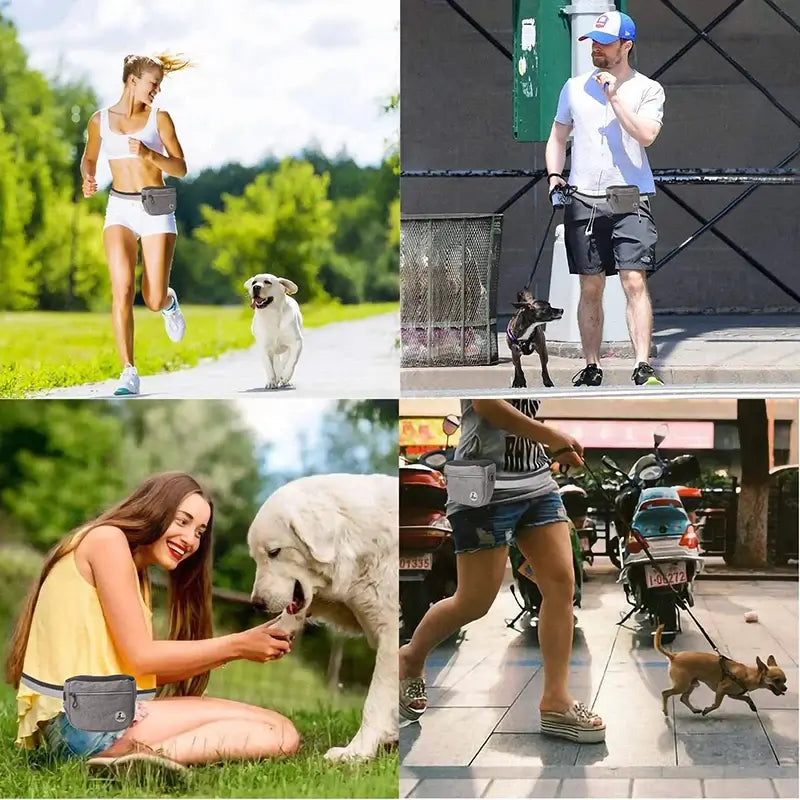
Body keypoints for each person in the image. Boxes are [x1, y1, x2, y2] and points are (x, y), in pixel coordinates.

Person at [5, 472, 300, 774]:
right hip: (86, 724)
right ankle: (142, 760)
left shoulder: (133, 569)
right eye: (182, 521)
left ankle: (139, 760)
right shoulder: (107, 540)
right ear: (154, 509)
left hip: (89, 720)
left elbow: (143, 669)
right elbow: (142, 657)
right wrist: (237, 645)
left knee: (278, 728)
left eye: (199, 532)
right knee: (278, 733)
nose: (190, 540)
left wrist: (239, 648)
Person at [398, 399, 605, 743]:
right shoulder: (481, 344)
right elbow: (487, 404)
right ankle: (410, 656)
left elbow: (521, 412)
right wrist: (550, 434)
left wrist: (549, 446)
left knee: (560, 587)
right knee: (474, 602)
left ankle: (555, 700)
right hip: (483, 486)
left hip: (537, 483)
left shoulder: (534, 348)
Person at [546, 11, 666, 388]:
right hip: (584, 197)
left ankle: (642, 364)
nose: (596, 48)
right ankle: (592, 364)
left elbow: (646, 135)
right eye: (593, 42)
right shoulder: (573, 87)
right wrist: (554, 176)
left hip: (630, 195)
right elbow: (557, 136)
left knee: (633, 279)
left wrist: (614, 97)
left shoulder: (648, 89)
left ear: (626, 45)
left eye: (605, 42)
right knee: (591, 285)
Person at [81, 53, 191, 397]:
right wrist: (87, 177)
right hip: (119, 208)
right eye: (152, 83)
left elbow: (180, 168)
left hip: (156, 207)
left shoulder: (160, 119)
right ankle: (128, 371)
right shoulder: (100, 120)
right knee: (122, 289)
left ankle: (168, 303)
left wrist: (148, 155)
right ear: (133, 80)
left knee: (153, 298)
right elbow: (89, 157)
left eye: (159, 84)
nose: (157, 89)